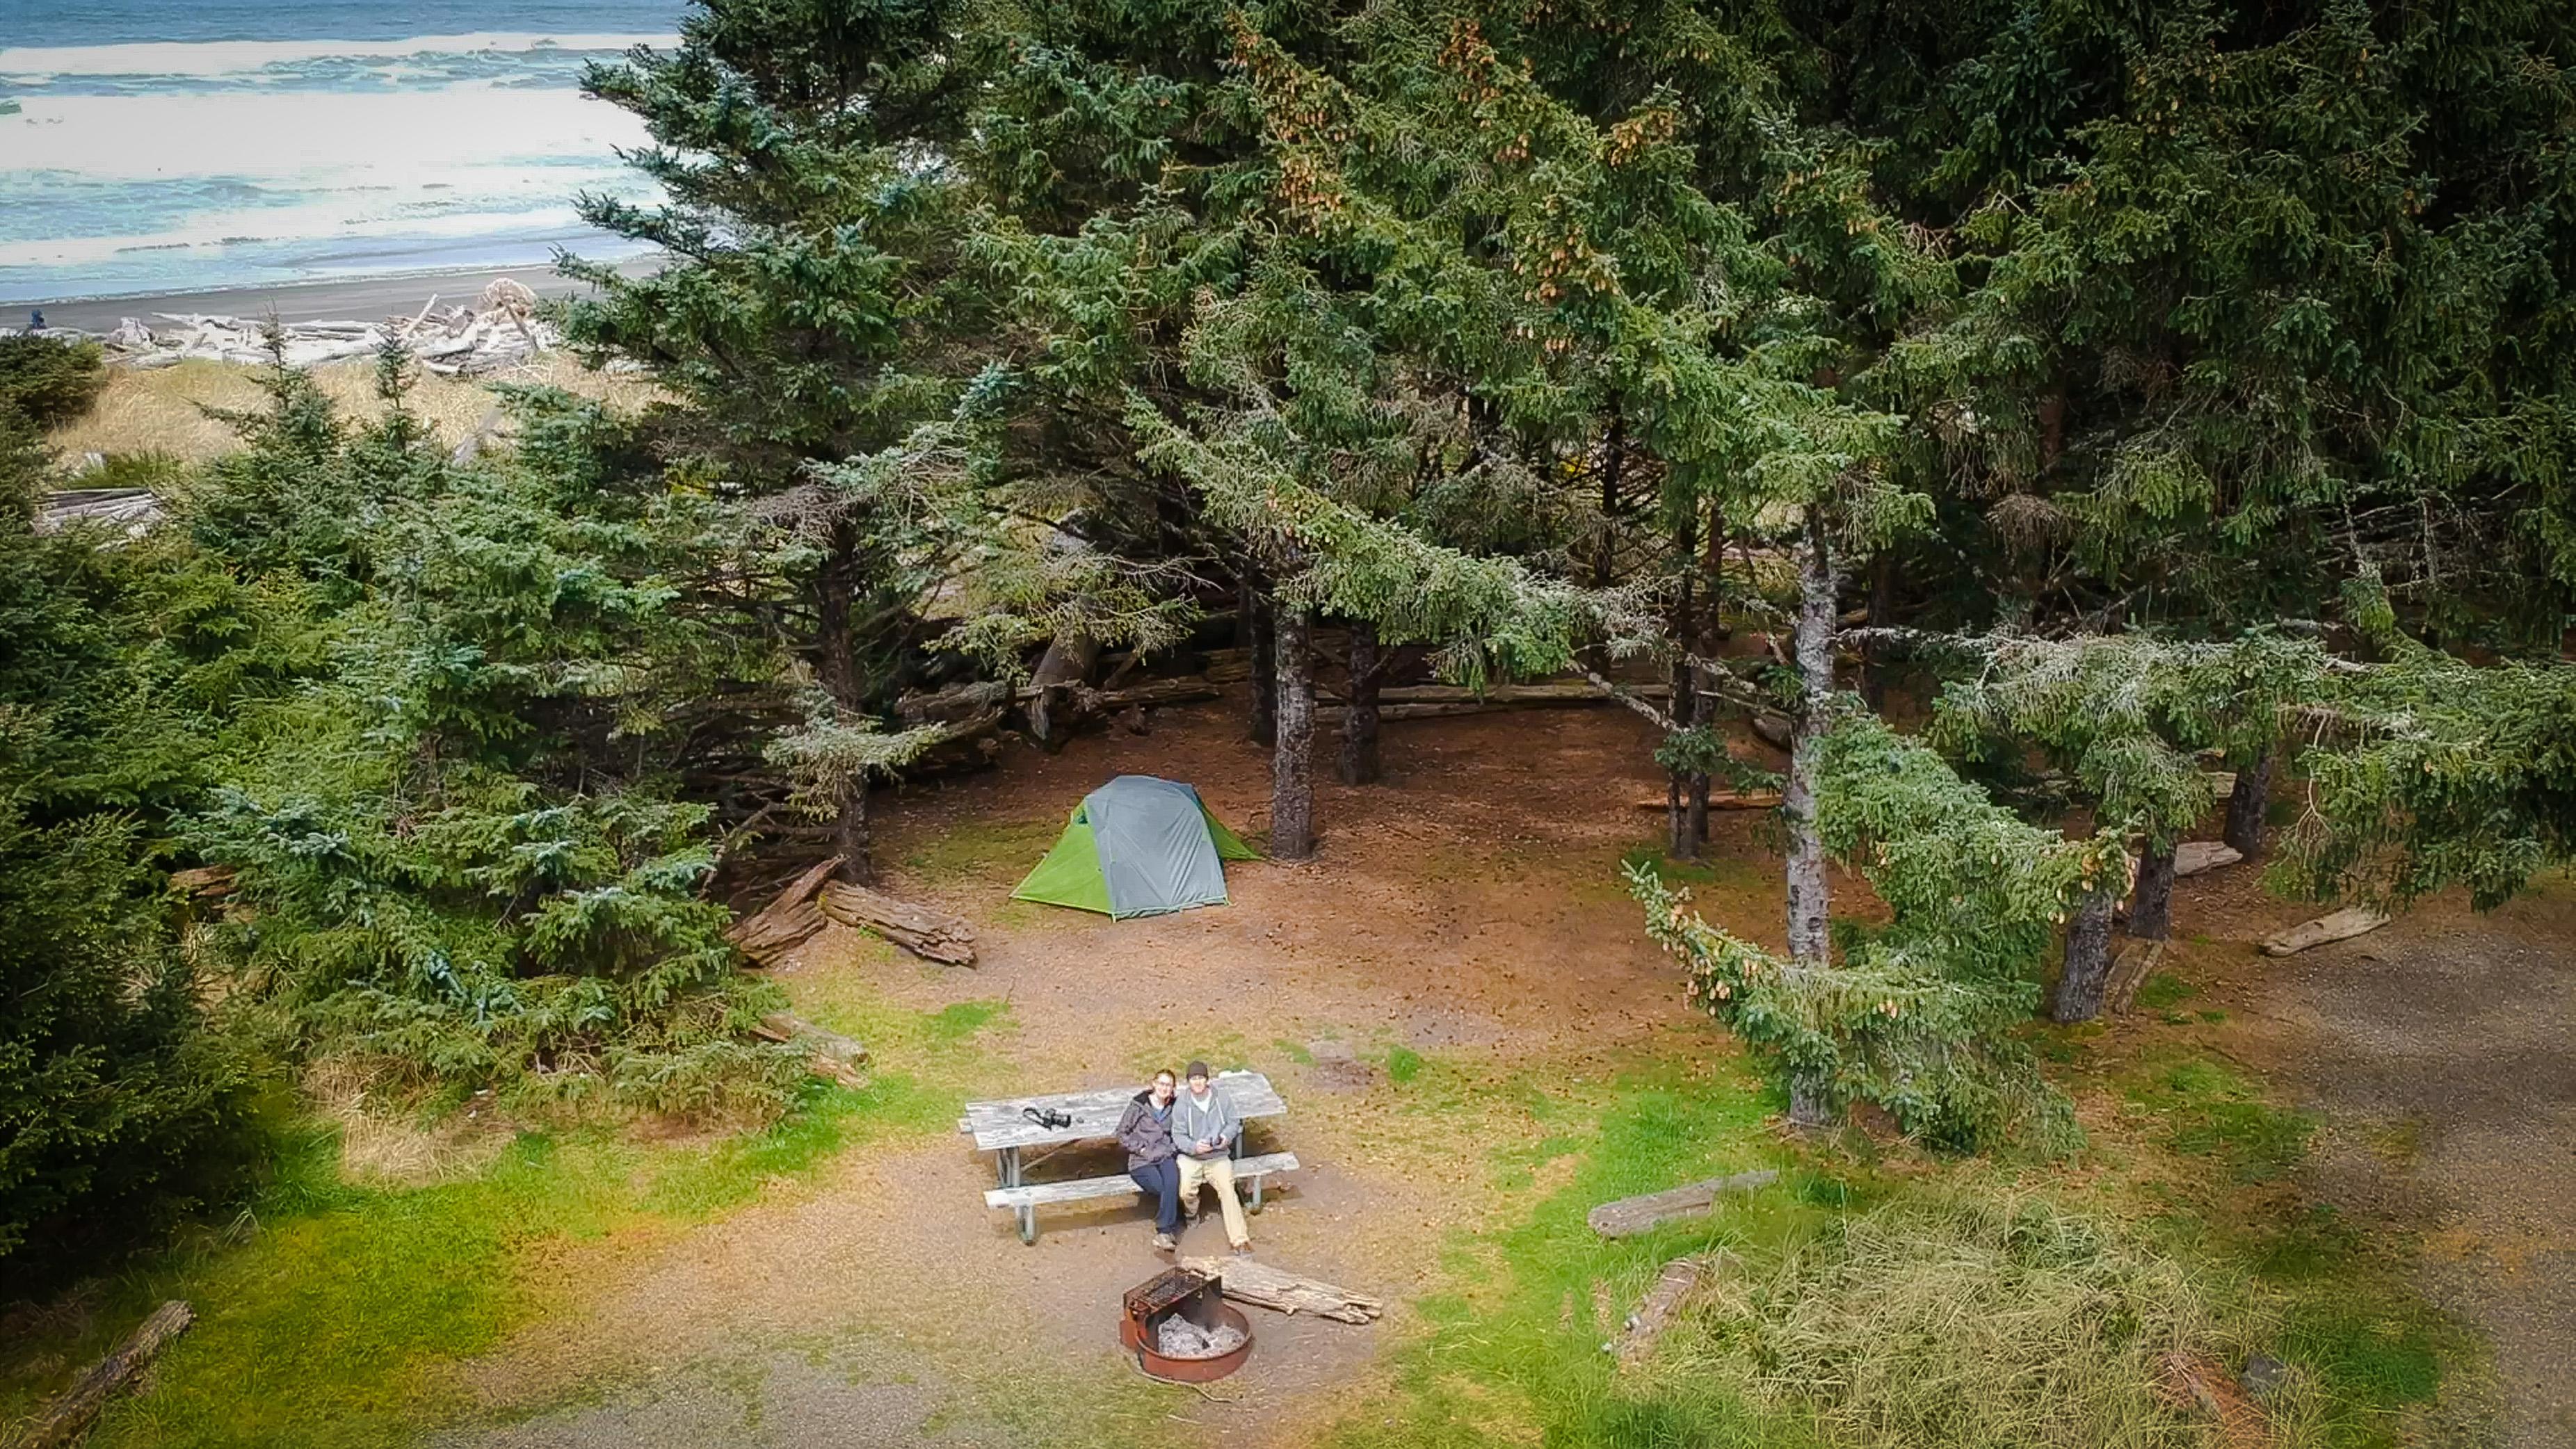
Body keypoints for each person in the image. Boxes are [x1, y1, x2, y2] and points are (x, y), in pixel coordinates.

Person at [1172, 1060, 1252, 1256]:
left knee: (1227, 1190)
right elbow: (1178, 1135)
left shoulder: (1221, 1098)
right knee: (1185, 1191)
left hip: (1218, 1156)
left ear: (1207, 1080)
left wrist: (1226, 1137)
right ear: (1188, 1082)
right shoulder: (1182, 1104)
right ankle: (1192, 1214)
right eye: (1193, 1079)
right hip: (1191, 1157)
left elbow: (1234, 1122)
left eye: (1201, 1078)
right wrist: (1193, 1147)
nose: (1197, 1082)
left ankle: (1240, 1240)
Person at [1115, 1068, 1183, 1252]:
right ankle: (1173, 1217)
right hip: (1142, 1160)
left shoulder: (1175, 1106)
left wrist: (1171, 1148)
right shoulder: (1139, 1105)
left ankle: (1163, 1232)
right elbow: (1122, 1133)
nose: (1164, 1088)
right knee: (1161, 1188)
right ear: (1154, 1084)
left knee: (1172, 1181)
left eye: (1168, 1085)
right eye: (1161, 1083)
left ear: (1173, 1088)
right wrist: (1141, 1148)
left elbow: (1181, 1131)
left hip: (1165, 1154)